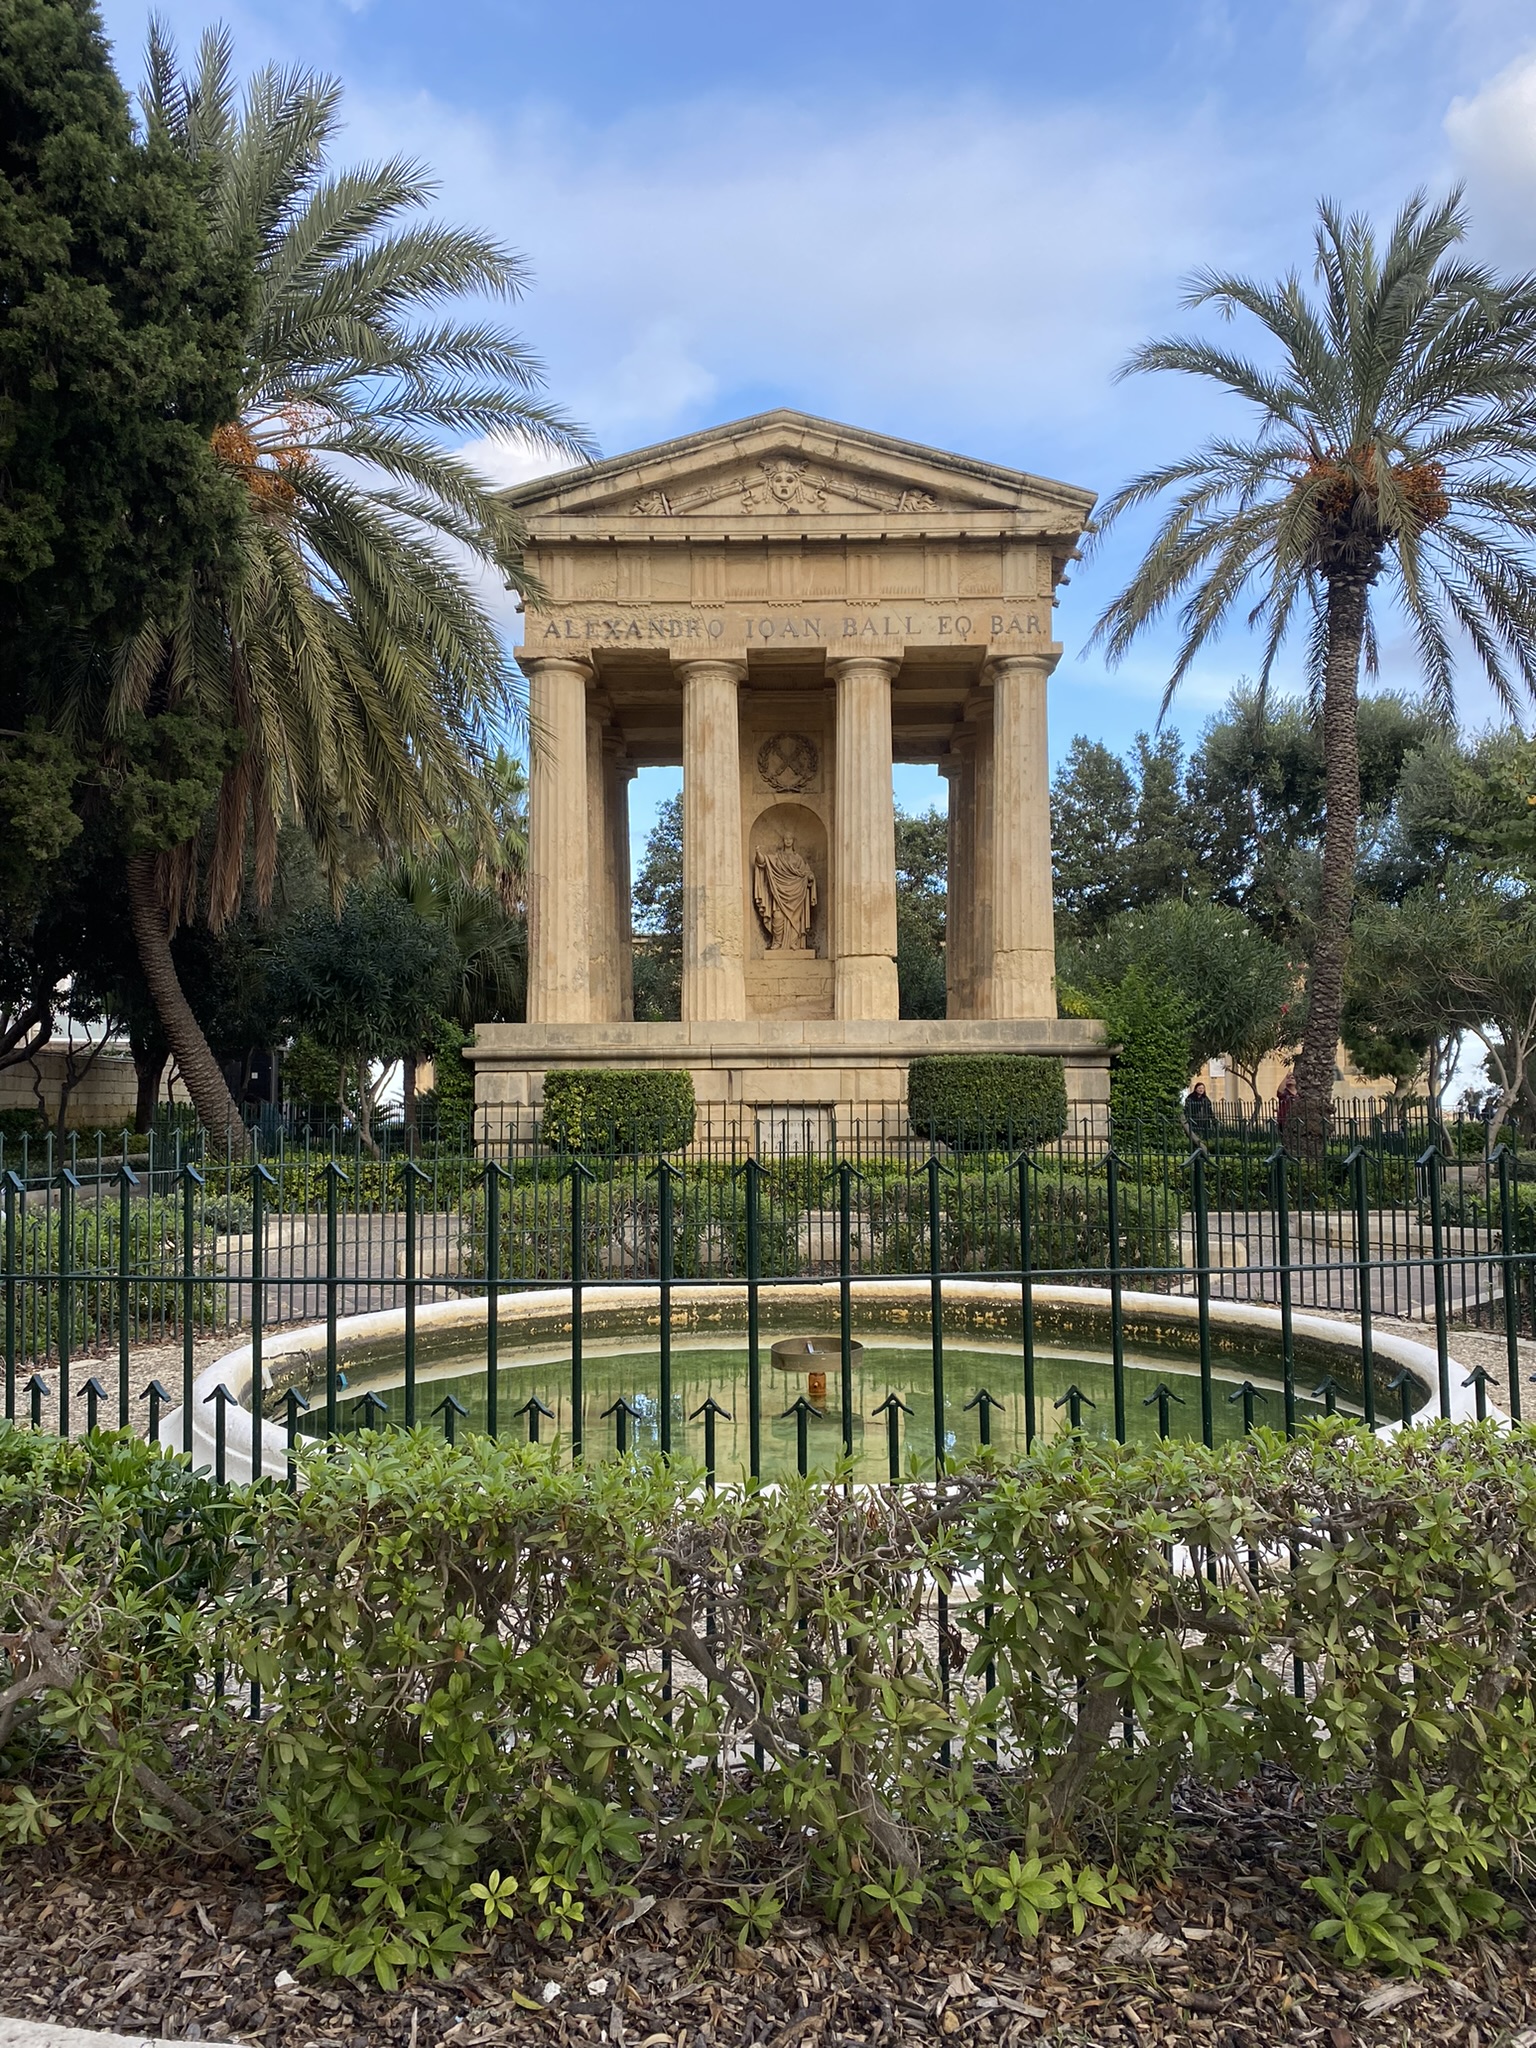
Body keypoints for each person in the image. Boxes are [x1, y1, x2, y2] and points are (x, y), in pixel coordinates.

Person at [1275, 1074, 1298, 1139]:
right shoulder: (1284, 1093)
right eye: (1288, 1078)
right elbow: (1279, 1090)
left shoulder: (1299, 1094)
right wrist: (1286, 1077)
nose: (1290, 1079)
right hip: (1284, 1121)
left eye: (1292, 1078)